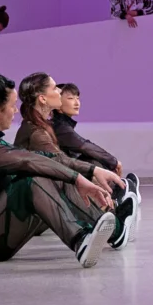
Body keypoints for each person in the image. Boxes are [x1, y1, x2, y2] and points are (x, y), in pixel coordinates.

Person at [0, 66, 128, 267]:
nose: (16, 111)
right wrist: (79, 178)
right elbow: (29, 160)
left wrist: (92, 171)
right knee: (34, 180)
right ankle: (80, 240)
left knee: (52, 174)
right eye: (13, 106)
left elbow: (47, 158)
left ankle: (117, 231)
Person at [14, 72, 139, 241]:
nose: (59, 91)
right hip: (34, 212)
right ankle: (115, 230)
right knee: (67, 180)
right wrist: (94, 170)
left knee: (73, 175)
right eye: (54, 88)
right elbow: (61, 161)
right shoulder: (36, 132)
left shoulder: (41, 126)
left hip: (41, 207)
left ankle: (111, 210)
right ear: (43, 99)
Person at [53, 82, 142, 204]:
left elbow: (84, 145)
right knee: (93, 161)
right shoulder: (59, 127)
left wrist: (111, 162)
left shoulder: (62, 124)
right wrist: (113, 162)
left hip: (65, 169)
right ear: (57, 104)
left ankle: (119, 189)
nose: (76, 102)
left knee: (92, 159)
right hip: (61, 173)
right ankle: (119, 191)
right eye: (70, 98)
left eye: (77, 98)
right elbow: (83, 145)